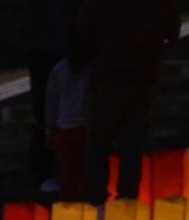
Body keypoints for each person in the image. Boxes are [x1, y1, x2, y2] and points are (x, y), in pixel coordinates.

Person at [78, 0, 180, 206]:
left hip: (108, 76)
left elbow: (83, 28)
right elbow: (173, 30)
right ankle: (128, 202)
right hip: (144, 76)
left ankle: (96, 201)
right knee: (132, 144)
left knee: (99, 143)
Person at [45, 26, 90, 201]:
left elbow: (51, 102)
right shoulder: (91, 69)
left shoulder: (59, 69)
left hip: (65, 129)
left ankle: (67, 214)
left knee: (68, 177)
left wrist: (49, 130)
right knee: (88, 176)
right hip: (86, 127)